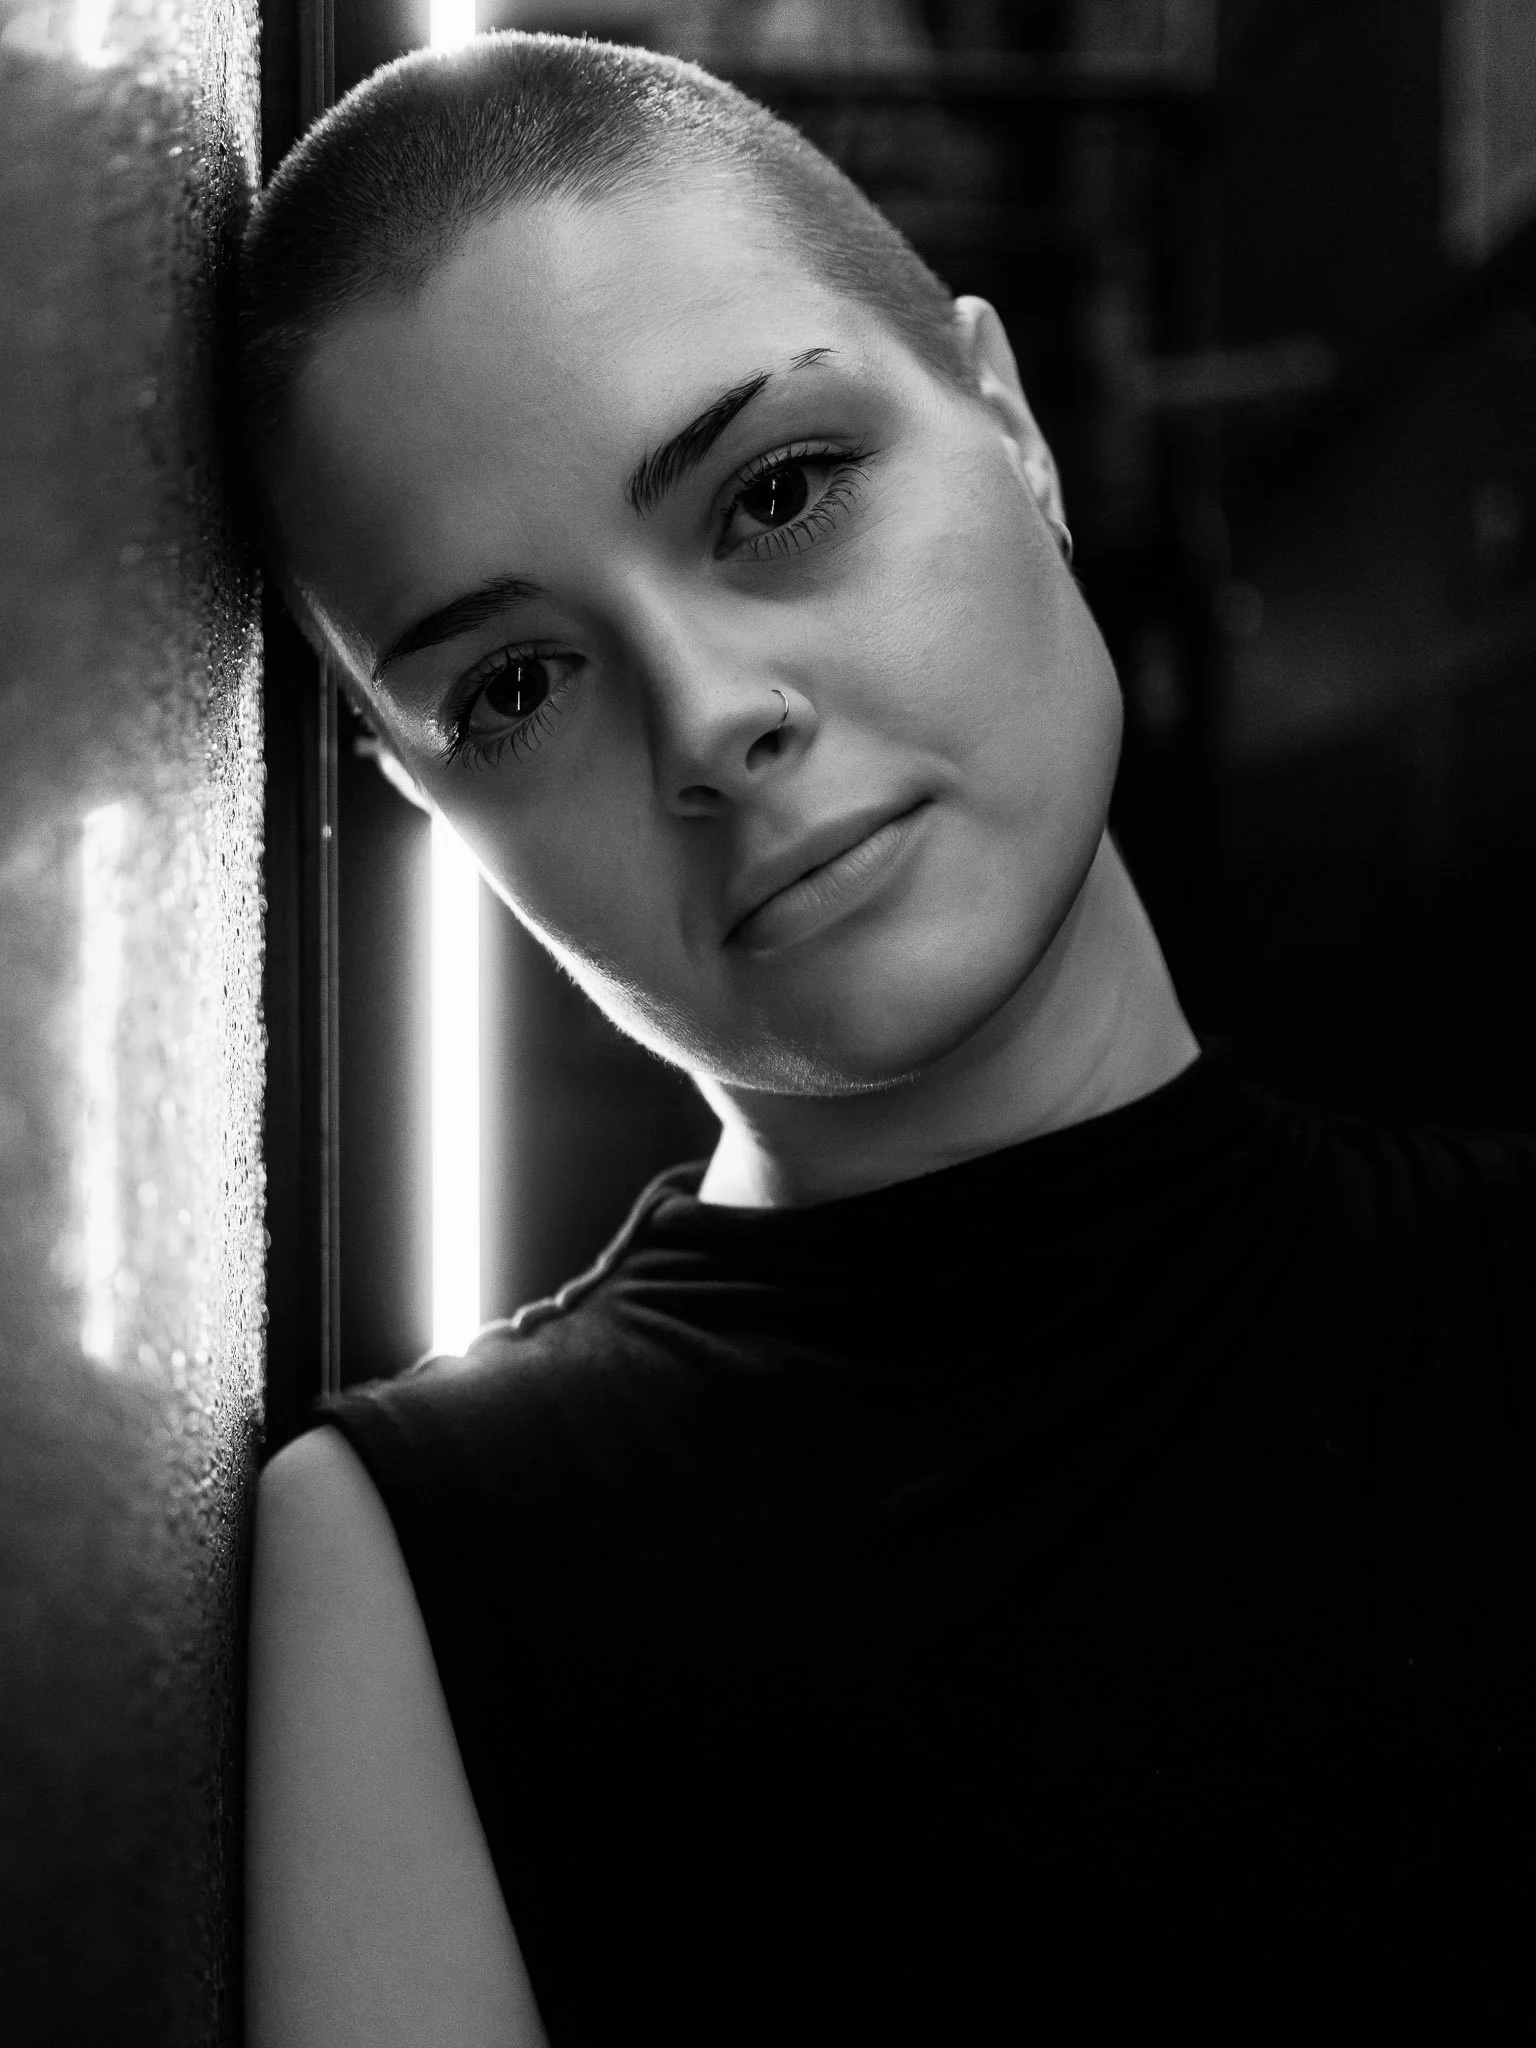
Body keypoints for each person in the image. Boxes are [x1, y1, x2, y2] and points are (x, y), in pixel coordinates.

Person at [239, 32, 1535, 2046]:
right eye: (508, 688)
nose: (707, 716)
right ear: (429, 808)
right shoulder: (415, 1563)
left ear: (1005, 422)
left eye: (773, 491)